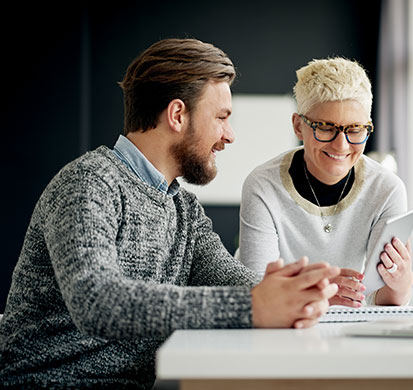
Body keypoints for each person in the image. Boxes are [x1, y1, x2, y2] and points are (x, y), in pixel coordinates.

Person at [0, 38, 340, 390]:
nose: (229, 135)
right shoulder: (89, 182)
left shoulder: (183, 209)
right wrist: (253, 305)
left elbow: (230, 278)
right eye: (222, 117)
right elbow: (97, 301)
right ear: (177, 115)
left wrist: (297, 292)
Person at [239, 57, 413, 307]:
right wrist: (320, 293)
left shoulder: (387, 189)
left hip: (347, 327)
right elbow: (257, 293)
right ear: (299, 126)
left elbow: (384, 303)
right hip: (280, 327)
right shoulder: (262, 186)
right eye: (325, 128)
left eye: (355, 130)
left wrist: (402, 285)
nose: (341, 145)